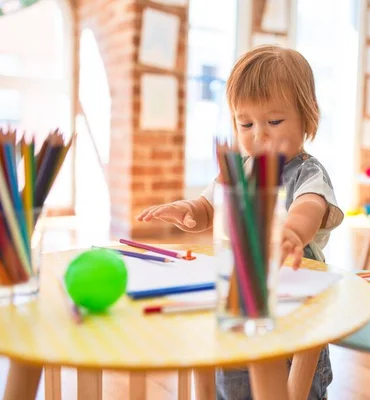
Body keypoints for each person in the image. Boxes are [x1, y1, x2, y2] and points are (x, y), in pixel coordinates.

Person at [136, 45, 344, 400]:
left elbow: (311, 205)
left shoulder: (307, 171)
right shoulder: (241, 170)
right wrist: (187, 210)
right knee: (233, 377)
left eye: (274, 122)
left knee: (296, 386)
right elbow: (209, 204)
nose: (259, 135)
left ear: (307, 119)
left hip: (295, 298)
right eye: (246, 123)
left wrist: (291, 231)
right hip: (240, 294)